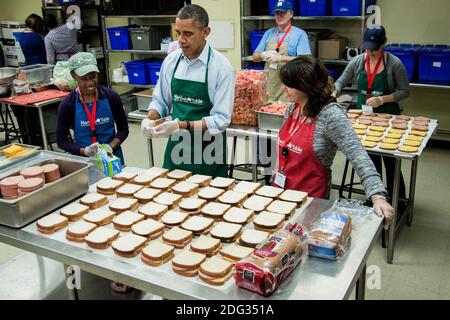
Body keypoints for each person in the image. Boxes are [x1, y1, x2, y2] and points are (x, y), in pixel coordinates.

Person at [273, 55, 394, 221]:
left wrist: (377, 196)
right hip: (282, 192)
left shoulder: (330, 115)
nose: (284, 88)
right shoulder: (293, 108)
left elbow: (358, 156)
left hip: (310, 200)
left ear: (305, 86)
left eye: (289, 85)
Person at [141, 4, 235, 178]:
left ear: (206, 32)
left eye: (188, 34)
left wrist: (181, 125)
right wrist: (149, 118)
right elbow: (161, 101)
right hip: (176, 149)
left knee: (209, 201)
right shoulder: (171, 62)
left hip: (208, 152)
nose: (181, 40)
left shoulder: (221, 67)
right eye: (178, 33)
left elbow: (221, 119)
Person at [334, 25, 410, 208]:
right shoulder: (359, 61)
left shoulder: (394, 64)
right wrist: (334, 92)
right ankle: (376, 195)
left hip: (387, 118)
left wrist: (382, 99)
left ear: (384, 43)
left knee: (390, 159)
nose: (371, 52)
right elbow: (341, 81)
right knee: (369, 159)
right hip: (363, 117)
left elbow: (405, 91)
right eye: (367, 48)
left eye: (374, 49)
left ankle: (398, 198)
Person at [56, 52, 128, 165]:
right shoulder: (68, 104)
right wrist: (84, 151)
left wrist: (110, 146)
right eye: (84, 79)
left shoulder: (111, 97)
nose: (90, 82)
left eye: (93, 77)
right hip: (83, 158)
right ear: (73, 76)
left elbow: (123, 129)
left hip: (111, 155)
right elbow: (61, 141)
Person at [252, 0, 311, 102]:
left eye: (283, 13)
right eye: (277, 13)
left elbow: (305, 60)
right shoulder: (268, 33)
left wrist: (280, 58)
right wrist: (262, 55)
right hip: (270, 86)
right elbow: (254, 57)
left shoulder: (299, 34)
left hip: (290, 87)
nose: (280, 16)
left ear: (291, 14)